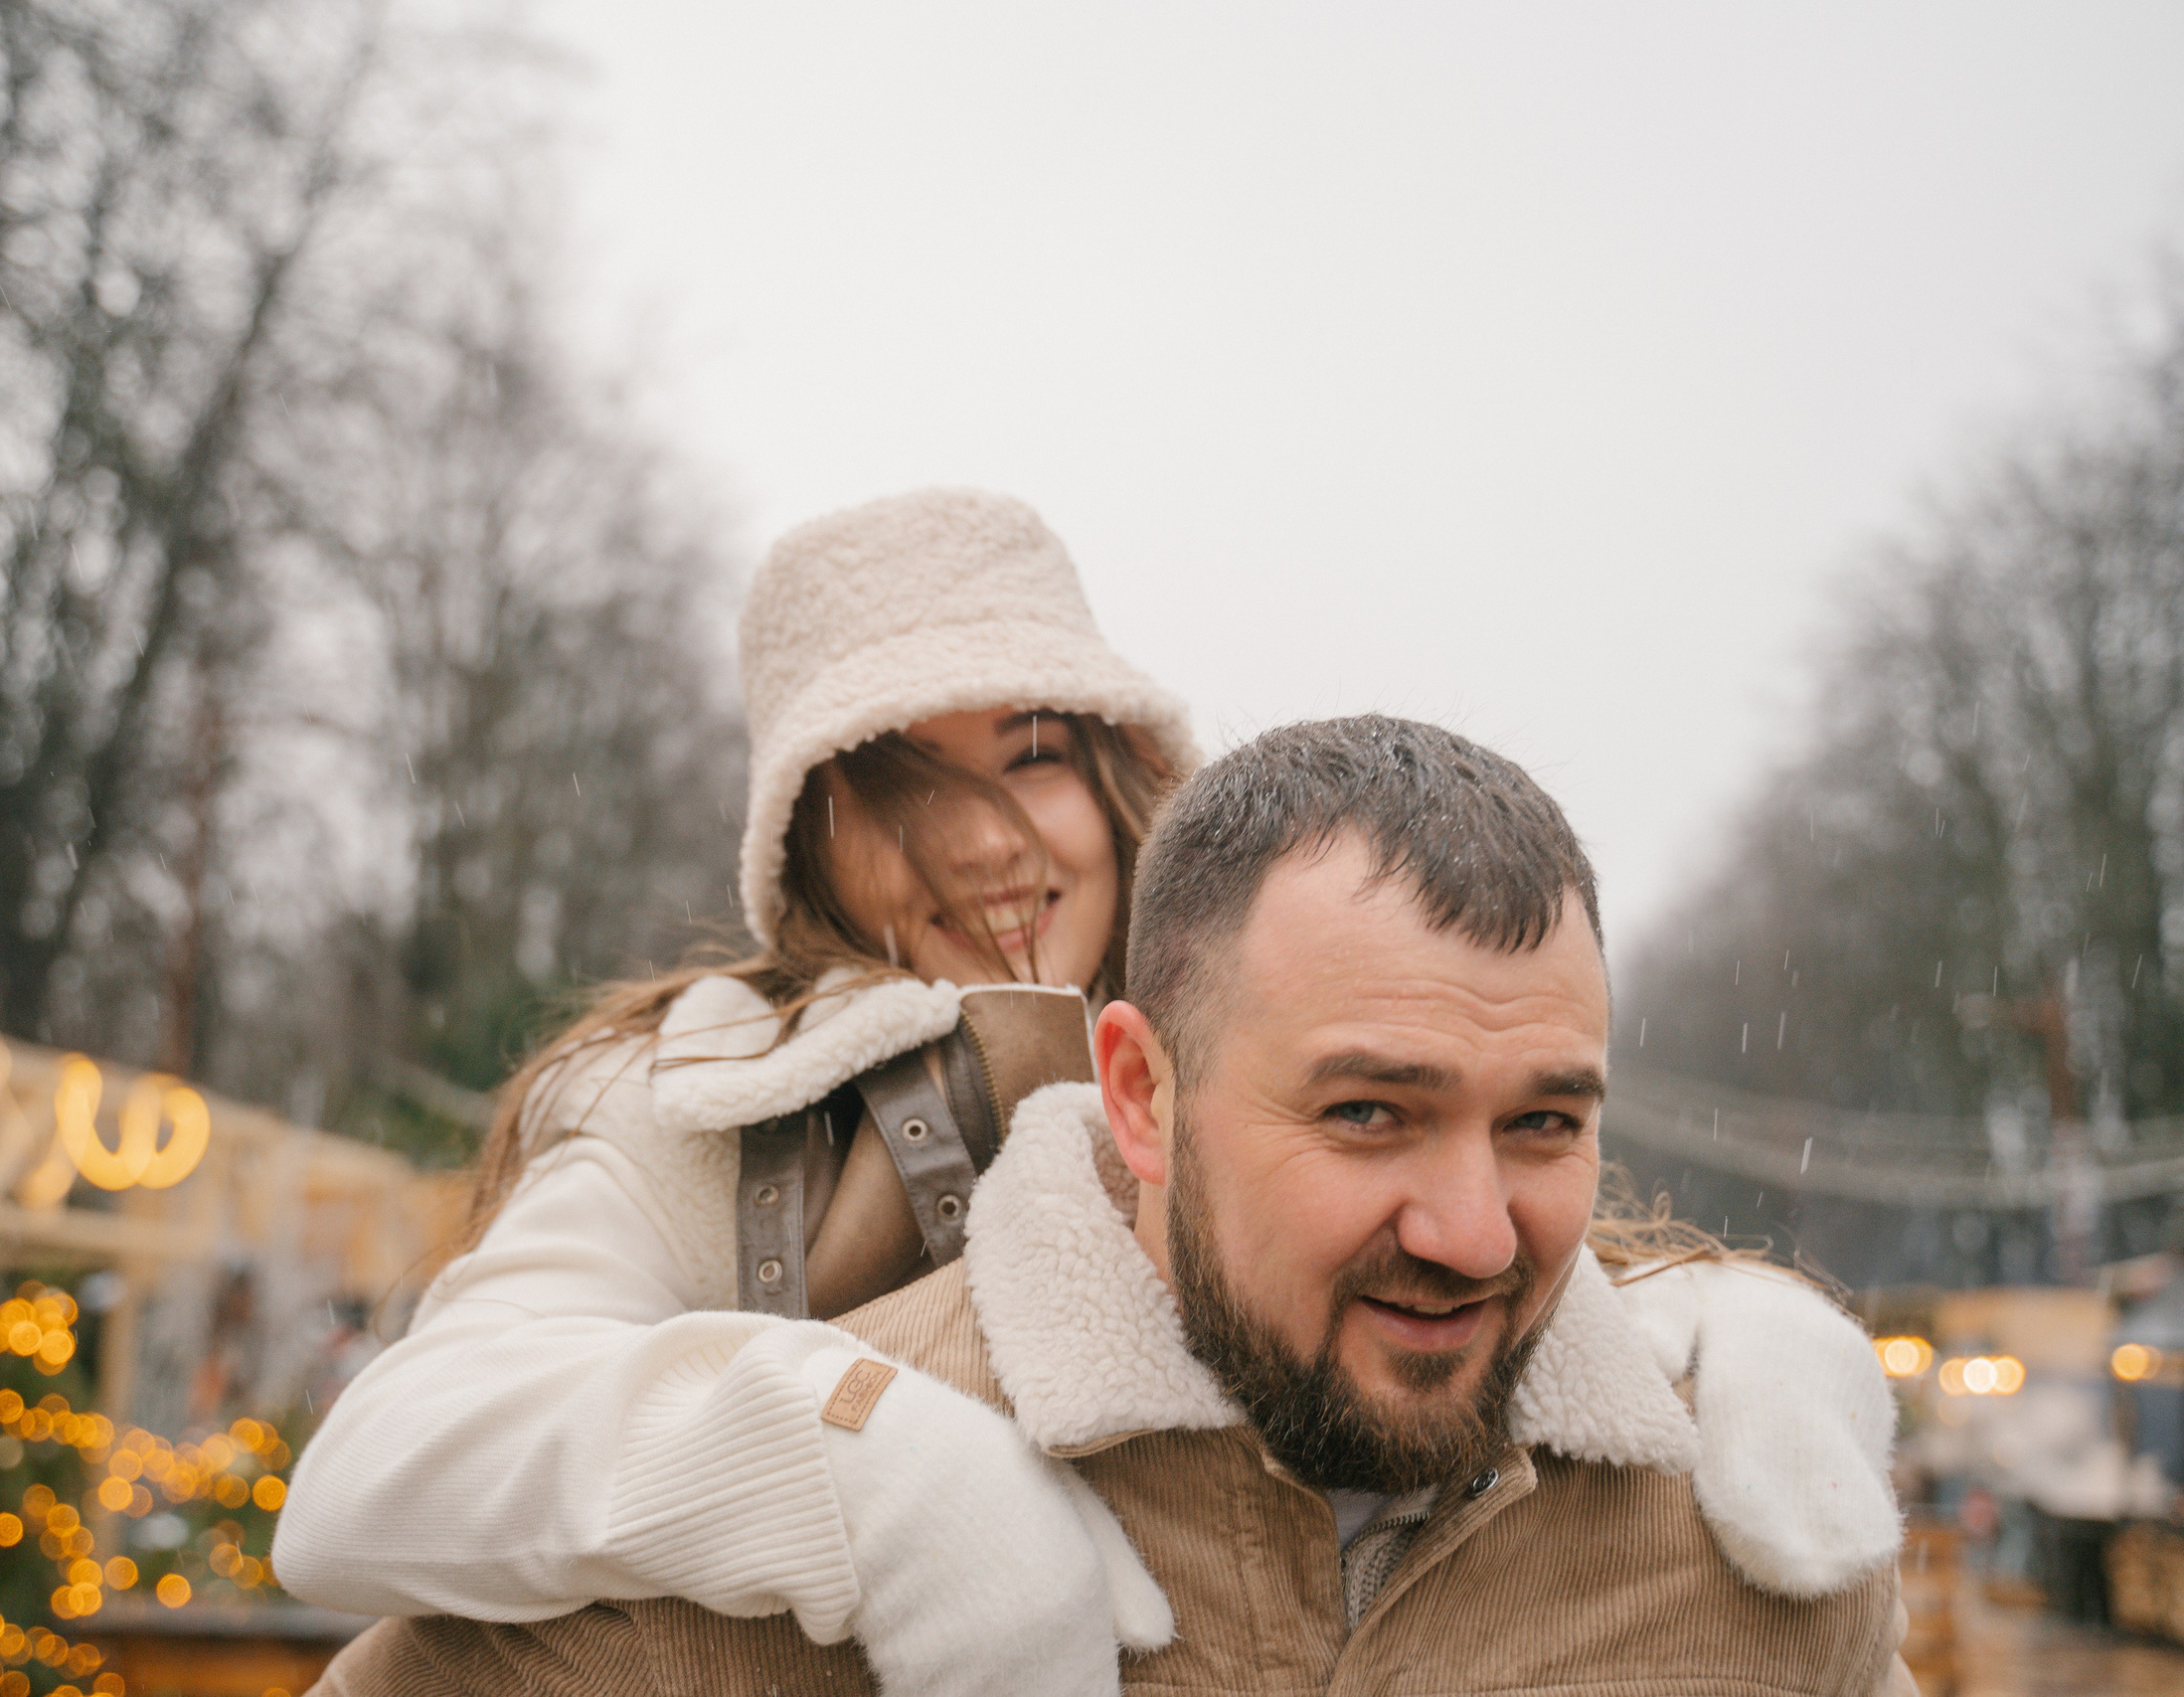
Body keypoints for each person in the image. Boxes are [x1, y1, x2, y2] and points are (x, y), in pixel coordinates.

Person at [277, 509, 1903, 1694]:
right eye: (898, 786)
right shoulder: (701, 1099)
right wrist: (886, 1471)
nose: (985, 843)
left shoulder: (1271, 986)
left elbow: (1445, 1208)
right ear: (805, 841)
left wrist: (1717, 1336)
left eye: (1035, 756)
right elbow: (379, 1477)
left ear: (1122, 777)